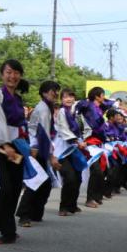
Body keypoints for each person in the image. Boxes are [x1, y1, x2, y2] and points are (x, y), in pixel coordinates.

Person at [0, 59, 28, 244]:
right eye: (9, 72)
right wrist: (5, 144)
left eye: (16, 72)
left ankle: (2, 223)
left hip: (17, 145)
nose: (12, 76)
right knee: (5, 188)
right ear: (2, 75)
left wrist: (25, 145)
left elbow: (21, 124)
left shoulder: (18, 99)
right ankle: (7, 231)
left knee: (16, 187)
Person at [16, 80, 60, 228]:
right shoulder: (43, 109)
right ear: (43, 92)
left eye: (55, 91)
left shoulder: (47, 108)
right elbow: (43, 134)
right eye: (51, 90)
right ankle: (24, 214)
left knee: (44, 183)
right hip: (36, 148)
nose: (54, 93)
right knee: (37, 182)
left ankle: (35, 213)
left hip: (40, 147)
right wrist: (51, 156)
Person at [54, 88, 87, 216]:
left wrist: (82, 141)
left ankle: (72, 205)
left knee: (77, 178)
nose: (69, 99)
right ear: (61, 99)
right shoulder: (62, 111)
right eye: (65, 97)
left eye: (71, 96)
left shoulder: (75, 113)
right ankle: (63, 207)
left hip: (74, 148)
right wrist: (77, 141)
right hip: (62, 149)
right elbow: (63, 130)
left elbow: (82, 129)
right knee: (70, 177)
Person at [76, 87, 109, 208]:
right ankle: (89, 198)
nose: (104, 98)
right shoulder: (88, 106)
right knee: (96, 171)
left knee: (101, 171)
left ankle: (96, 196)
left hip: (97, 143)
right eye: (102, 95)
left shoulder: (98, 108)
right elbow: (94, 123)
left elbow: (109, 103)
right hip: (87, 141)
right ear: (97, 96)